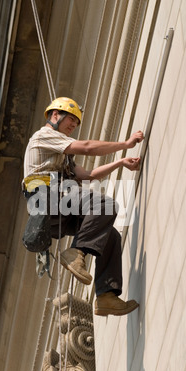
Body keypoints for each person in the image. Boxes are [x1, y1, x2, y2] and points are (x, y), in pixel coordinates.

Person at [23, 97, 144, 316]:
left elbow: (87, 176)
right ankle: (75, 253)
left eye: (76, 123)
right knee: (105, 205)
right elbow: (87, 147)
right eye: (71, 119)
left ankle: (106, 295)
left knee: (110, 236)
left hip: (55, 208)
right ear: (55, 115)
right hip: (47, 196)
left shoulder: (61, 155)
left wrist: (120, 162)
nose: (73, 126)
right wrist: (125, 144)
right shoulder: (44, 136)